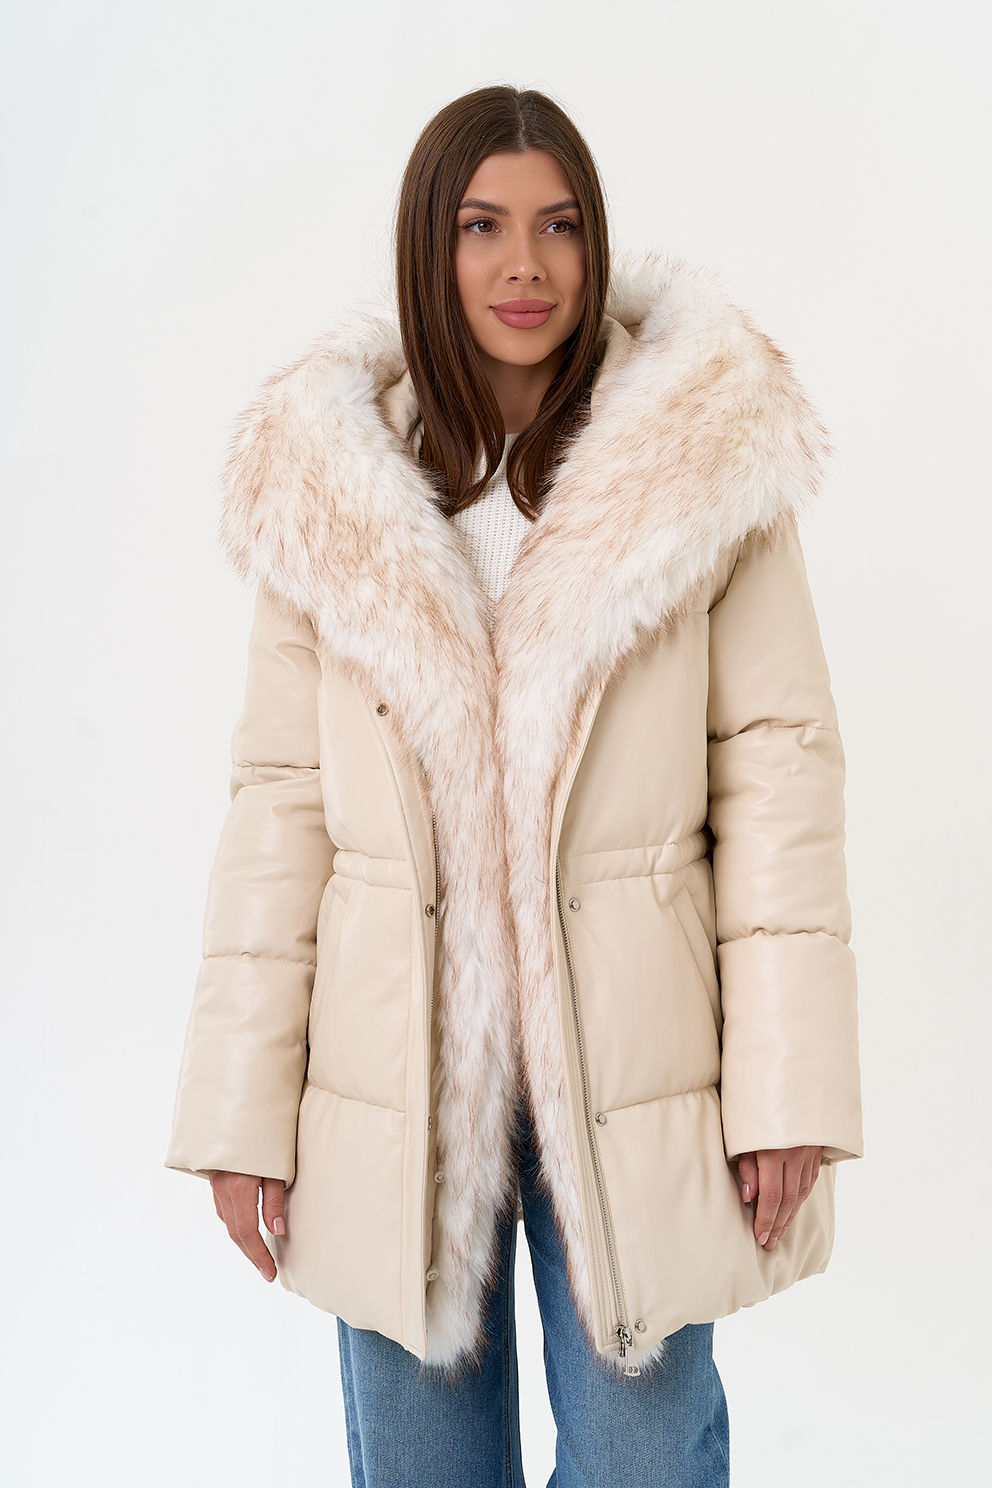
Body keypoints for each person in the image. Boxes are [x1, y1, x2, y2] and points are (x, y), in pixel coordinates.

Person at [166, 85, 863, 1487]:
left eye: (559, 226)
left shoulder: (700, 466)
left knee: (647, 1460)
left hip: (635, 1059)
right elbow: (278, 813)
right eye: (483, 227)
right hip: (394, 1073)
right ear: (430, 245)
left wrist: (785, 1089)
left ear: (595, 242)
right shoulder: (333, 487)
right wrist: (241, 1115)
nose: (525, 265)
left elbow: (778, 777)